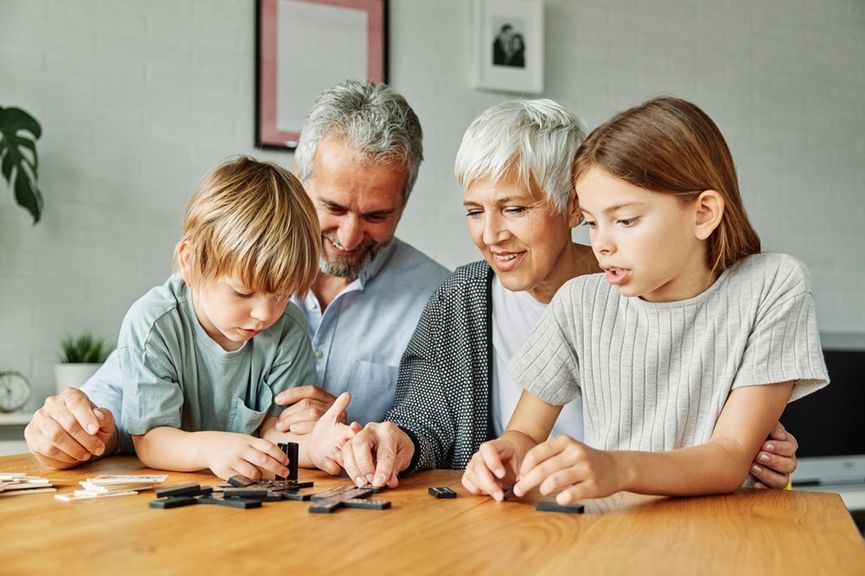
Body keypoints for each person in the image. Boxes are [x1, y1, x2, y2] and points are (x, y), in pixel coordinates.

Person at [337, 99, 801, 491]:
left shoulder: (744, 285)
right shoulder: (481, 297)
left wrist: (747, 447)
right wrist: (420, 441)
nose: (491, 234)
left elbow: (727, 447)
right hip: (554, 526)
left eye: (515, 208)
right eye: (475, 211)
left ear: (570, 206)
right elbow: (439, 412)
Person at [24, 81, 450, 469]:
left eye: (377, 214)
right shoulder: (210, 277)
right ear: (301, 184)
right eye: (334, 207)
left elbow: (440, 430)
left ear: (404, 203)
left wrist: (337, 437)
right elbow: (122, 402)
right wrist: (69, 427)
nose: (350, 233)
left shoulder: (439, 299)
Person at [461, 96, 829, 503]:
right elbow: (526, 432)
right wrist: (505, 455)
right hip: (614, 537)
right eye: (591, 222)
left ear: (704, 213)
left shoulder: (771, 286)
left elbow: (729, 456)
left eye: (626, 220)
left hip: (725, 536)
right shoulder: (580, 303)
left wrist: (616, 467)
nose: (602, 244)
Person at [121, 156, 353, 479]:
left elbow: (276, 431)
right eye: (242, 293)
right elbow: (150, 440)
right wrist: (211, 448)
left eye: (282, 295)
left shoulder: (288, 330)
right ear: (189, 262)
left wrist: (316, 446)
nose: (264, 314)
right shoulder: (154, 324)